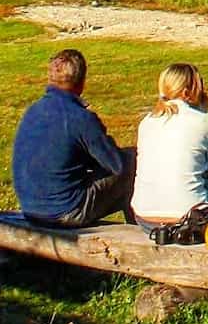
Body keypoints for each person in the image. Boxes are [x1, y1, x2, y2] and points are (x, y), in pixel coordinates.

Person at [12, 48, 135, 228]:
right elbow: (116, 164)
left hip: (31, 208)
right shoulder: (80, 118)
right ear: (81, 82)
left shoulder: (33, 111)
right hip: (65, 211)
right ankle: (143, 231)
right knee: (132, 163)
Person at [130, 62, 208, 232]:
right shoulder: (205, 121)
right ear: (188, 91)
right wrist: (202, 110)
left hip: (144, 218)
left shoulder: (147, 121)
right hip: (188, 219)